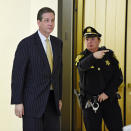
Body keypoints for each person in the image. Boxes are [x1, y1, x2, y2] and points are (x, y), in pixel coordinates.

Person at [11, 7, 63, 131]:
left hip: (52, 102)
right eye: (46, 20)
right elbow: (18, 75)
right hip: (32, 103)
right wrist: (18, 102)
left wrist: (59, 97)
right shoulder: (26, 44)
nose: (50, 23)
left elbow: (58, 73)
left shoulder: (57, 43)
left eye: (52, 20)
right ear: (38, 22)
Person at [75, 26, 123, 131]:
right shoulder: (81, 57)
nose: (89, 42)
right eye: (87, 39)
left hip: (110, 101)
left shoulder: (109, 55)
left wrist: (107, 93)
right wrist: (93, 57)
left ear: (99, 40)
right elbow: (81, 67)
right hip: (91, 104)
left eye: (93, 39)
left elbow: (118, 77)